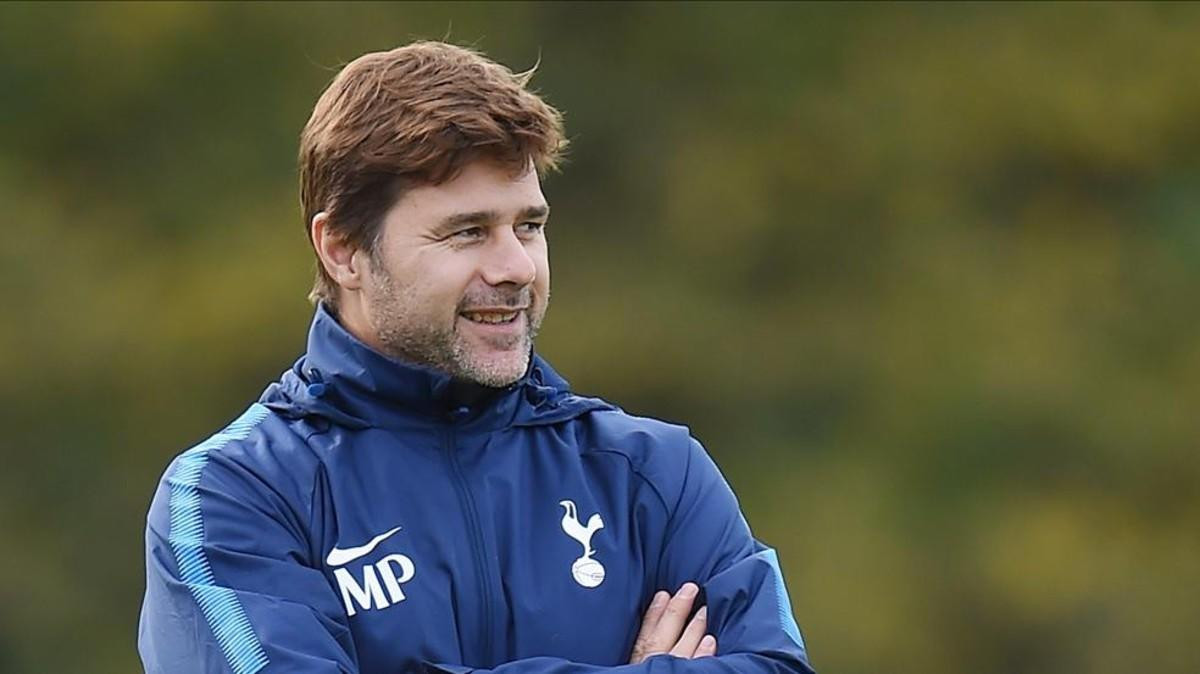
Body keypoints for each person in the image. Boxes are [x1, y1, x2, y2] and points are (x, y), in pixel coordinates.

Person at [138, 41, 814, 674]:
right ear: (343, 249)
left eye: (529, 225)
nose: (517, 266)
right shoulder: (234, 496)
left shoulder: (651, 474)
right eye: (468, 232)